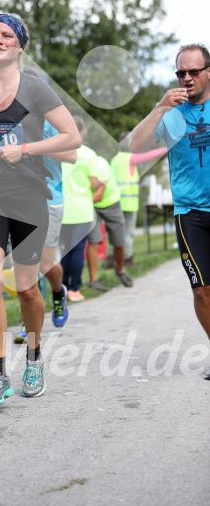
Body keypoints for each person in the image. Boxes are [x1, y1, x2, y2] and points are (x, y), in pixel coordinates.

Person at [0, 12, 81, 406]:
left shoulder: (36, 90)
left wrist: (25, 148)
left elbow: (72, 138)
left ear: (20, 45)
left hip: (30, 197)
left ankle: (34, 357)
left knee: (28, 288)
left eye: (5, 35)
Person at [128, 42, 210, 380]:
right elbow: (134, 146)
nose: (187, 78)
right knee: (202, 289)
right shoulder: (172, 115)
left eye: (194, 71)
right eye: (181, 73)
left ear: (208, 72)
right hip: (189, 212)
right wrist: (159, 108)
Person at [14, 118, 77, 343]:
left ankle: (59, 292)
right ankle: (28, 319)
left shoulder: (48, 120)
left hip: (50, 199)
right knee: (24, 263)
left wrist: (34, 146)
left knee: (44, 263)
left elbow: (72, 156)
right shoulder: (4, 120)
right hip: (17, 201)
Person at [103, 132, 167, 268]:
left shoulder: (115, 160)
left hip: (115, 201)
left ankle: (110, 259)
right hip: (129, 202)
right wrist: (166, 148)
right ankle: (127, 258)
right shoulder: (129, 158)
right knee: (128, 232)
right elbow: (148, 156)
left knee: (116, 231)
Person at [59, 116, 98, 302]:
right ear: (81, 132)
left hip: (61, 208)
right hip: (82, 209)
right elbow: (95, 183)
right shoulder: (89, 154)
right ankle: (74, 288)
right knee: (77, 249)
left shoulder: (57, 152)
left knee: (65, 249)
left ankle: (62, 287)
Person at [87, 155, 133, 289]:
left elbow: (98, 195)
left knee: (119, 241)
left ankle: (120, 270)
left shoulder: (100, 165)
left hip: (110, 202)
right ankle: (93, 281)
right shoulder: (73, 165)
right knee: (94, 240)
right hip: (91, 205)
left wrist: (78, 205)